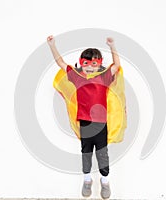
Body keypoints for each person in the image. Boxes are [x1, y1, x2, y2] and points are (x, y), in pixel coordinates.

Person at [47, 35, 126, 199]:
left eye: (94, 64)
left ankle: (105, 181)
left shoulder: (104, 77)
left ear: (99, 64)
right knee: (86, 152)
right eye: (86, 63)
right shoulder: (77, 77)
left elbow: (116, 65)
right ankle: (87, 179)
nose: (90, 67)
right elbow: (61, 63)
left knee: (102, 154)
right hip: (85, 123)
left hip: (101, 123)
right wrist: (52, 45)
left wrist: (112, 46)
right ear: (81, 63)